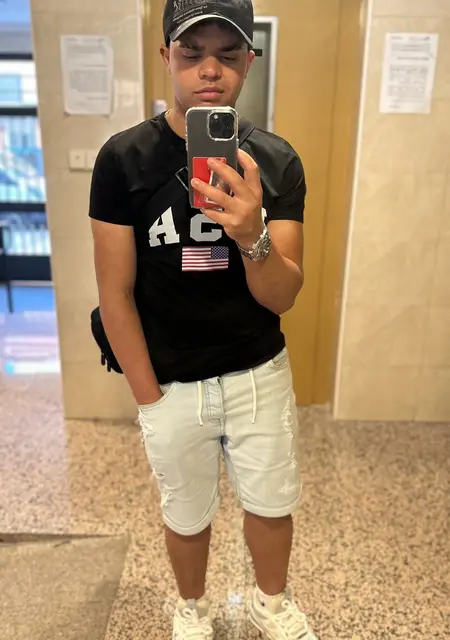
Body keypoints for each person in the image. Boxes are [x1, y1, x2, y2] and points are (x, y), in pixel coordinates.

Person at [90, 1, 317, 638]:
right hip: (168, 378)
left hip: (257, 373)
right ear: (167, 57)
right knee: (186, 513)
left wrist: (252, 235)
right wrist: (147, 395)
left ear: (250, 61)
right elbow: (115, 292)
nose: (209, 71)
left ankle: (272, 604)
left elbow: (282, 297)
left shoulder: (275, 161)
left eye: (227, 54)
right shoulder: (124, 159)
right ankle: (192, 608)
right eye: (192, 54)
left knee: (272, 504)